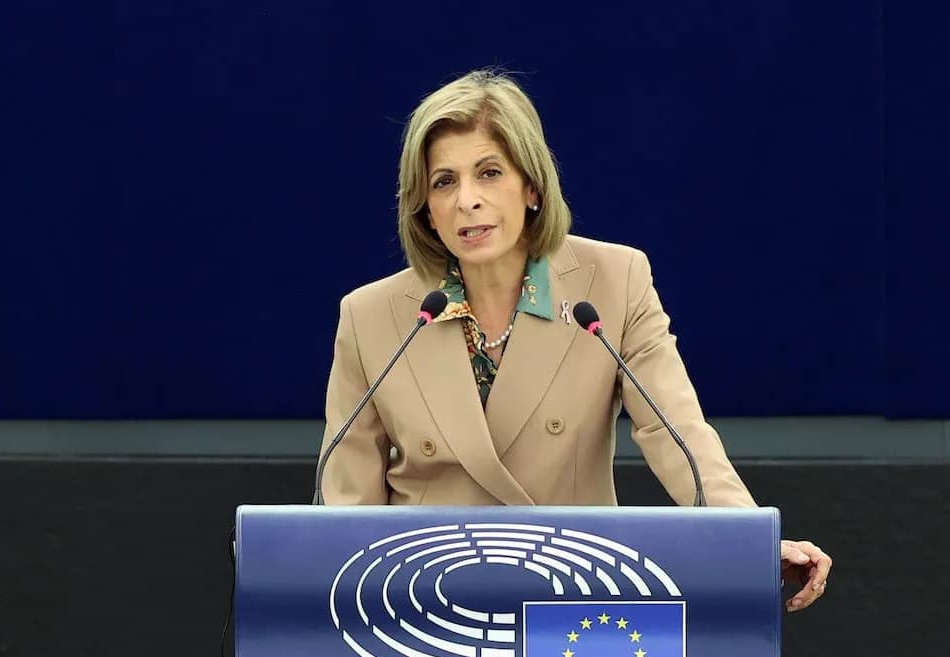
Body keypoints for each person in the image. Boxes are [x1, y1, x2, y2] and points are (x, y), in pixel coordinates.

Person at [320, 69, 831, 612]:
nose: (467, 200)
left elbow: (677, 432)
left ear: (532, 186)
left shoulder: (613, 282)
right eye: (444, 181)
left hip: (570, 600)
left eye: (489, 173)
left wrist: (747, 542)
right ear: (423, 206)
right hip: (425, 606)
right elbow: (346, 498)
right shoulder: (373, 315)